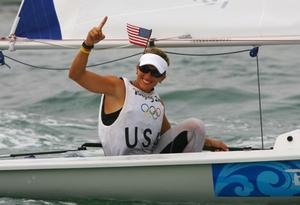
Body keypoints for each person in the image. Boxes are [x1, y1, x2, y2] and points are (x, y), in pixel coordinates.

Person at [69, 16, 228, 156]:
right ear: (137, 68)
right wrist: (88, 44)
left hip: (150, 162)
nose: (148, 76)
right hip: (119, 165)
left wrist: (210, 143)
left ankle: (184, 178)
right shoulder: (118, 87)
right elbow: (76, 74)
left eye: (155, 72)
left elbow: (169, 138)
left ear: (163, 77)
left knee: (196, 127)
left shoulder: (158, 104)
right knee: (195, 125)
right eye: (145, 69)